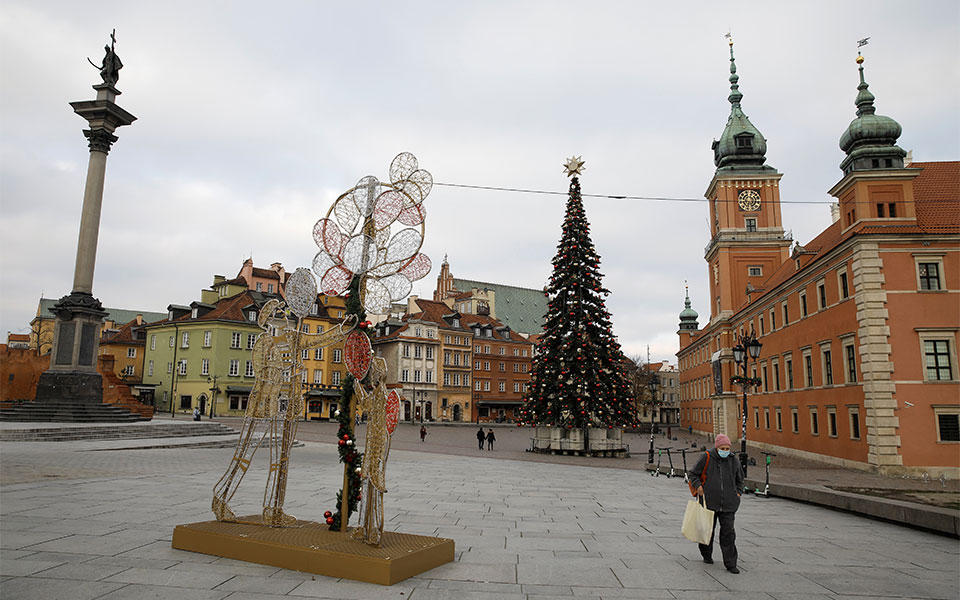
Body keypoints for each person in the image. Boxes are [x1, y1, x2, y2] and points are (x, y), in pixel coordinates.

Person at [688, 433, 744, 574]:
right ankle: (706, 554)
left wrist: (737, 493)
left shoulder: (734, 460)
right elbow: (693, 474)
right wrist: (698, 486)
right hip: (709, 502)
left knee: (728, 533)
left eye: (727, 448)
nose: (725, 451)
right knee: (707, 530)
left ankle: (731, 563)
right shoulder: (706, 457)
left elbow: (740, 479)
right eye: (723, 448)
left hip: (729, 504)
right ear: (717, 447)